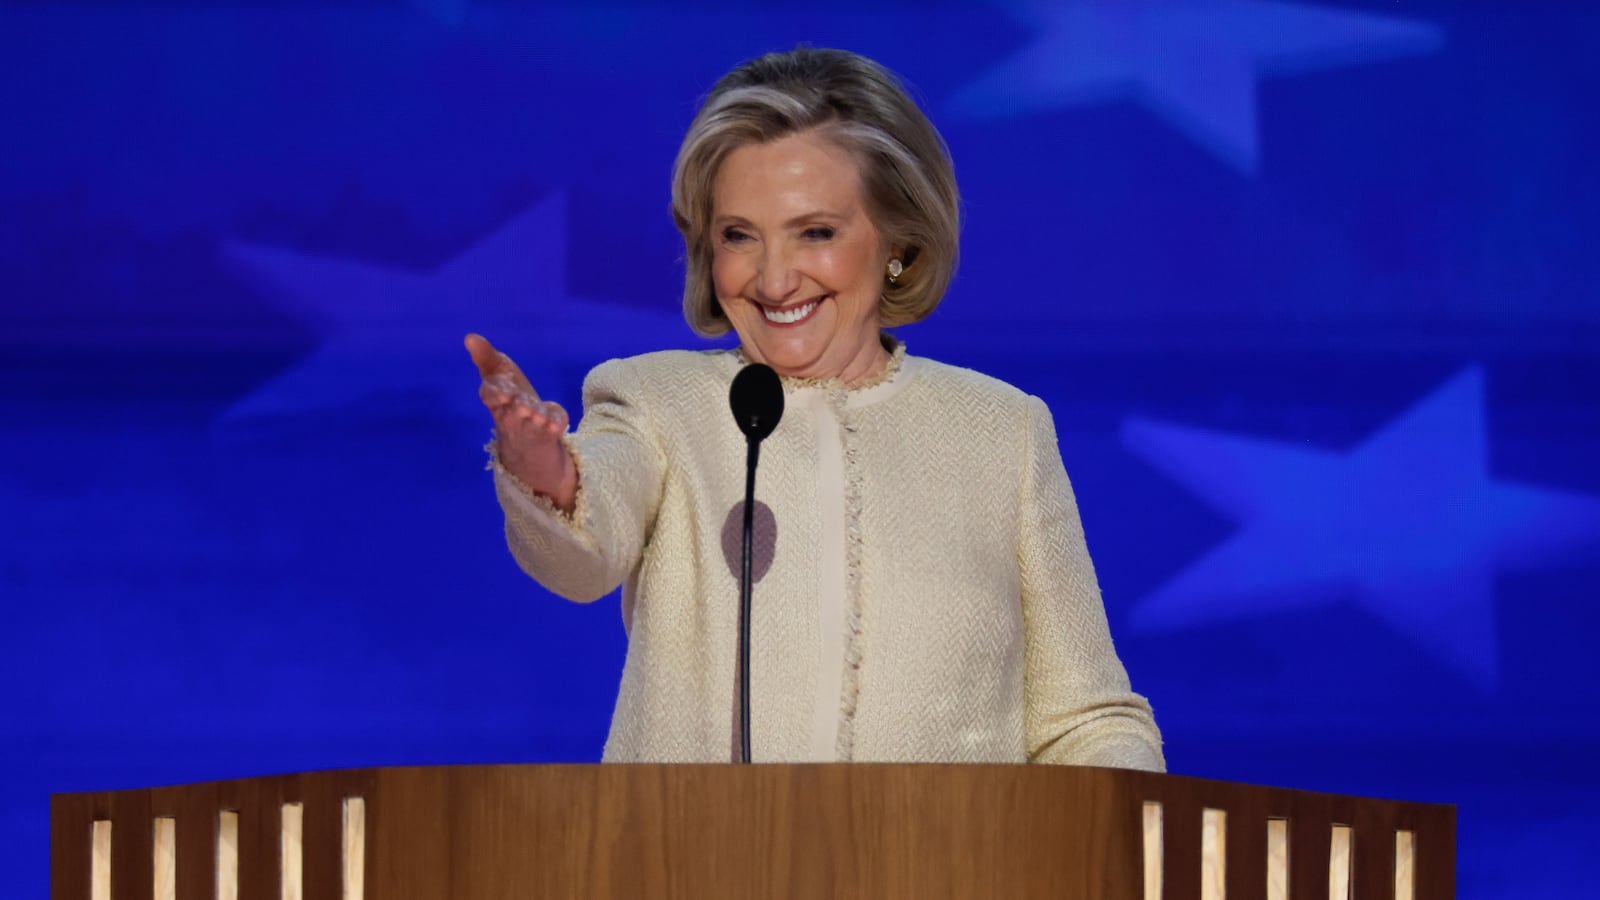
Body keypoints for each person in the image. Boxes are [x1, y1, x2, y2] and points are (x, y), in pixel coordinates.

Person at [464, 47, 1163, 769]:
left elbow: (1084, 720)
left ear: (898, 239)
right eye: (739, 235)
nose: (771, 277)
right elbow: (586, 548)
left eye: (816, 233)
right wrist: (545, 467)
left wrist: (1124, 830)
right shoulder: (658, 401)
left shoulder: (1001, 433)